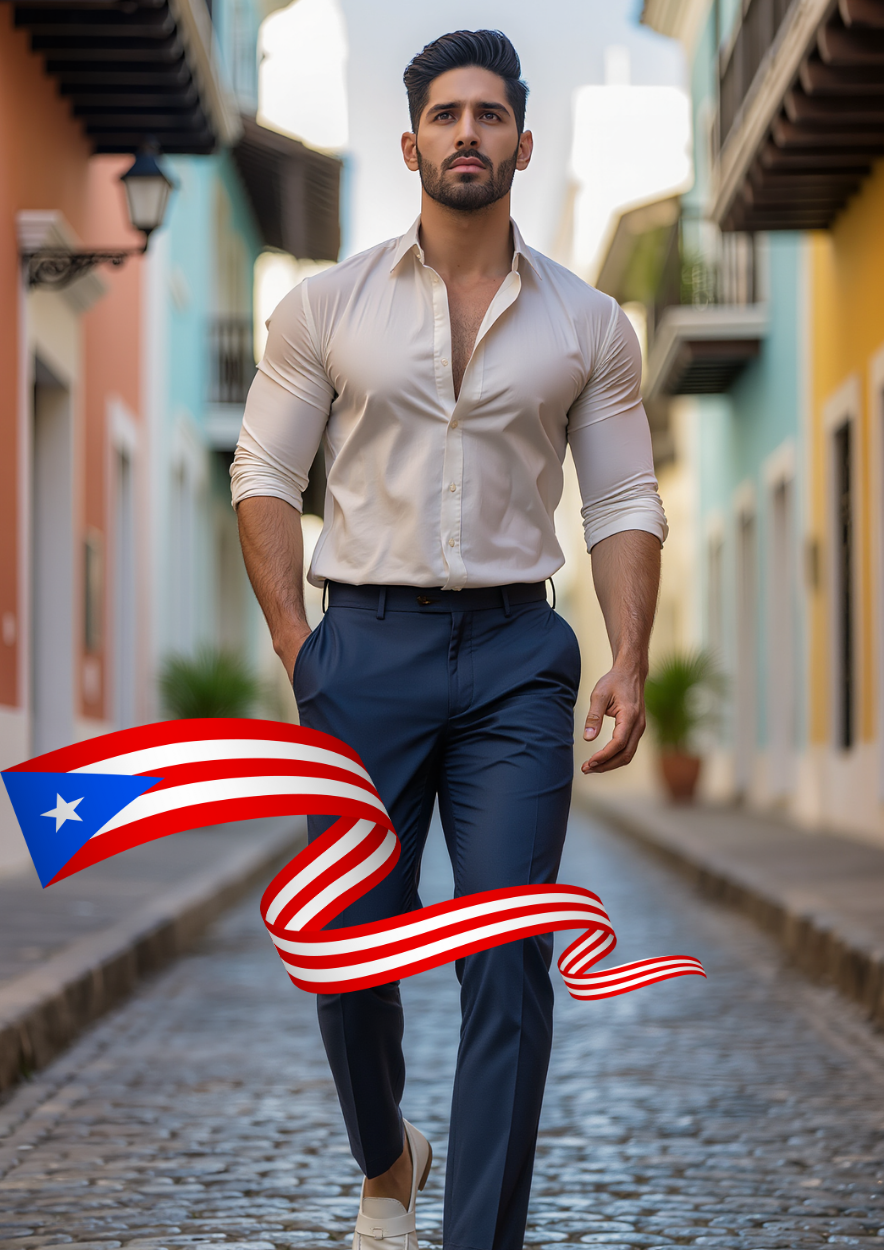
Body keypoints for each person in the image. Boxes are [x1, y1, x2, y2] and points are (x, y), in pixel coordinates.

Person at [231, 29, 667, 1250]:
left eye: (488, 115)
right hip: (360, 647)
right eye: (444, 114)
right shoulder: (325, 305)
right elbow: (264, 471)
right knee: (343, 943)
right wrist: (297, 648)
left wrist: (625, 658)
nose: (465, 132)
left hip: (518, 657)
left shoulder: (589, 327)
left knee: (509, 950)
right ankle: (387, 1154)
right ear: (410, 141)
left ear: (523, 143)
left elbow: (623, 501)